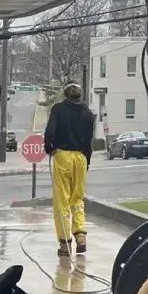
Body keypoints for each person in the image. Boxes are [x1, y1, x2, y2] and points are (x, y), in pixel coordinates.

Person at [44, 83, 95, 255]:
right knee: (78, 198)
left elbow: (50, 133)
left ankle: (65, 242)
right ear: (80, 96)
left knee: (61, 200)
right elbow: (89, 141)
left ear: (66, 95)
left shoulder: (58, 110)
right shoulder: (88, 114)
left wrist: (49, 147)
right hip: (80, 157)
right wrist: (87, 160)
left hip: (63, 156)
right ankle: (81, 236)